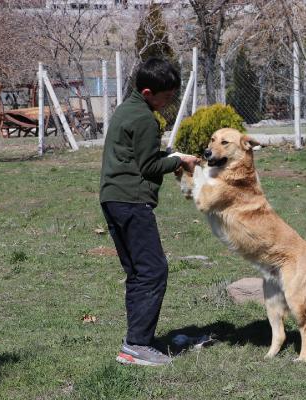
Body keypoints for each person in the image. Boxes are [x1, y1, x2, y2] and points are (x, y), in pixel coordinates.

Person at [99, 58, 199, 366]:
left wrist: (169, 154)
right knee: (154, 271)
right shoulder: (143, 118)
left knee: (139, 273)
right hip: (131, 201)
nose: (170, 102)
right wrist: (180, 161)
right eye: (166, 96)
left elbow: (141, 156)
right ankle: (136, 346)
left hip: (114, 198)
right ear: (147, 91)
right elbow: (149, 166)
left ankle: (137, 340)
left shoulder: (129, 109)